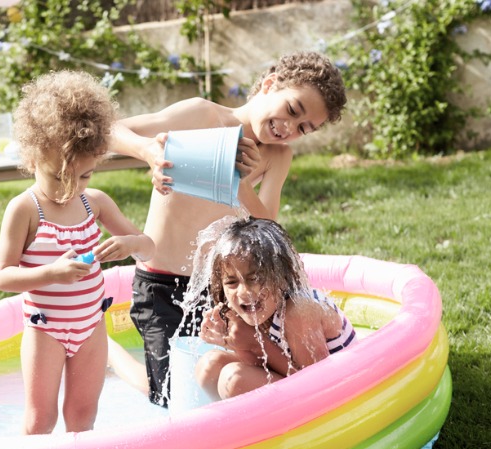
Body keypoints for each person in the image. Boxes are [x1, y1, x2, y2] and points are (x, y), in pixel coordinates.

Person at [107, 51, 347, 405]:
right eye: (293, 111)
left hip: (225, 289)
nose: (289, 129)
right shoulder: (202, 116)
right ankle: (109, 353)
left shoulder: (277, 157)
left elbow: (270, 233)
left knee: (222, 385)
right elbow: (108, 128)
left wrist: (240, 184)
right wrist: (147, 151)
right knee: (173, 398)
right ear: (269, 85)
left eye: (303, 129)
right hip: (160, 286)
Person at [0, 71, 155, 435]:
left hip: (91, 327)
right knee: (40, 419)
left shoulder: (95, 203)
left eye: (83, 176)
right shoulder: (25, 210)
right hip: (46, 329)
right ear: (32, 159)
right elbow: (2, 276)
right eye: (57, 177)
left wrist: (129, 245)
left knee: (83, 416)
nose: (70, 188)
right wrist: (51, 273)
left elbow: (148, 246)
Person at [194, 215, 356, 400]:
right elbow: (259, 366)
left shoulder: (299, 312)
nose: (244, 292)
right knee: (209, 366)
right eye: (231, 282)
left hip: (342, 392)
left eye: (255, 279)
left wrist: (255, 342)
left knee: (235, 380)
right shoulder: (249, 310)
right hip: (299, 385)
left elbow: (317, 387)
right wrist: (234, 342)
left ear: (282, 277)